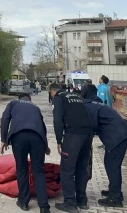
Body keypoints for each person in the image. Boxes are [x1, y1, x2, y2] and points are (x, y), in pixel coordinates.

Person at [82, 84, 127, 207]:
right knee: (110, 164)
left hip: (117, 137)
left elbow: (92, 126)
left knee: (113, 166)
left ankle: (115, 198)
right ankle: (114, 191)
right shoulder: (97, 103)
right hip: (121, 134)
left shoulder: (89, 106)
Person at [0, 93, 51, 213]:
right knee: (39, 170)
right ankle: (44, 207)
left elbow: (5, 119)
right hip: (37, 138)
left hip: (19, 137)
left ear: (20, 99)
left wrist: (4, 139)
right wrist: (46, 145)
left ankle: (24, 202)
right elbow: (42, 127)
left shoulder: (13, 104)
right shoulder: (35, 107)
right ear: (30, 100)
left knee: (22, 169)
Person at [50, 83, 94, 212]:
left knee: (67, 170)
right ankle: (82, 200)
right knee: (82, 168)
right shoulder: (78, 96)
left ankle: (70, 202)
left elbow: (57, 120)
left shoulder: (58, 98)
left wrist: (59, 140)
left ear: (52, 92)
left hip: (73, 136)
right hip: (87, 134)